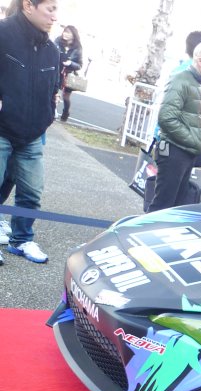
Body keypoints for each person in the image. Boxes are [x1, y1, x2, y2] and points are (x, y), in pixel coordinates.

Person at [0, 0, 61, 264]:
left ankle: (21, 240)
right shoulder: (3, 34)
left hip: (33, 134)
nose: (55, 17)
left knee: (31, 192)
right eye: (50, 9)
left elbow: (54, 88)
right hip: (2, 128)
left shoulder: (52, 50)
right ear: (28, 5)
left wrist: (48, 113)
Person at [147, 41, 201, 212]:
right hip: (174, 152)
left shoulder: (198, 82)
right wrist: (193, 140)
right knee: (163, 205)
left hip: (184, 152)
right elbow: (166, 118)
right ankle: (148, 236)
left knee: (175, 206)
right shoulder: (181, 79)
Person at [151, 31, 201, 143]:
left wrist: (156, 137)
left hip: (171, 141)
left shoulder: (178, 73)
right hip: (194, 140)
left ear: (187, 49)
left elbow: (166, 113)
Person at [54, 24, 82, 122]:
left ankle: (65, 113)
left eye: (68, 32)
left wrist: (70, 63)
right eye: (64, 31)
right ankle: (53, 112)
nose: (65, 34)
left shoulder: (77, 48)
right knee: (53, 92)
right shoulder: (58, 41)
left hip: (68, 74)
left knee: (66, 97)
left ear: (73, 35)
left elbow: (79, 65)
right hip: (56, 71)